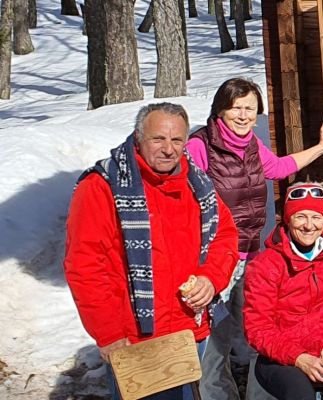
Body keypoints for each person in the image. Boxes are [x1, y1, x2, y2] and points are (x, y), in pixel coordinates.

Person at [64, 102, 239, 400]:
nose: (169, 149)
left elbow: (225, 235)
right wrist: (108, 334)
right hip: (135, 338)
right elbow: (86, 266)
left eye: (177, 140)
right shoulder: (102, 187)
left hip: (189, 328)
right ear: (138, 137)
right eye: (158, 138)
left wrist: (211, 278)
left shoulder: (197, 184)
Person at [186, 77, 323, 400]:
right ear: (220, 110)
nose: (243, 116)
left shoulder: (253, 145)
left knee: (260, 333)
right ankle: (219, 397)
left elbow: (281, 167)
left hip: (251, 258)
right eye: (236, 108)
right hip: (214, 261)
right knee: (214, 342)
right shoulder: (199, 147)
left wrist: (322, 147)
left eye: (250, 109)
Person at [242, 182, 323, 399]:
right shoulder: (266, 264)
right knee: (300, 394)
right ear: (288, 218)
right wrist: (299, 358)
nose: (308, 225)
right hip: (282, 355)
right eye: (300, 216)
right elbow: (258, 328)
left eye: (315, 217)